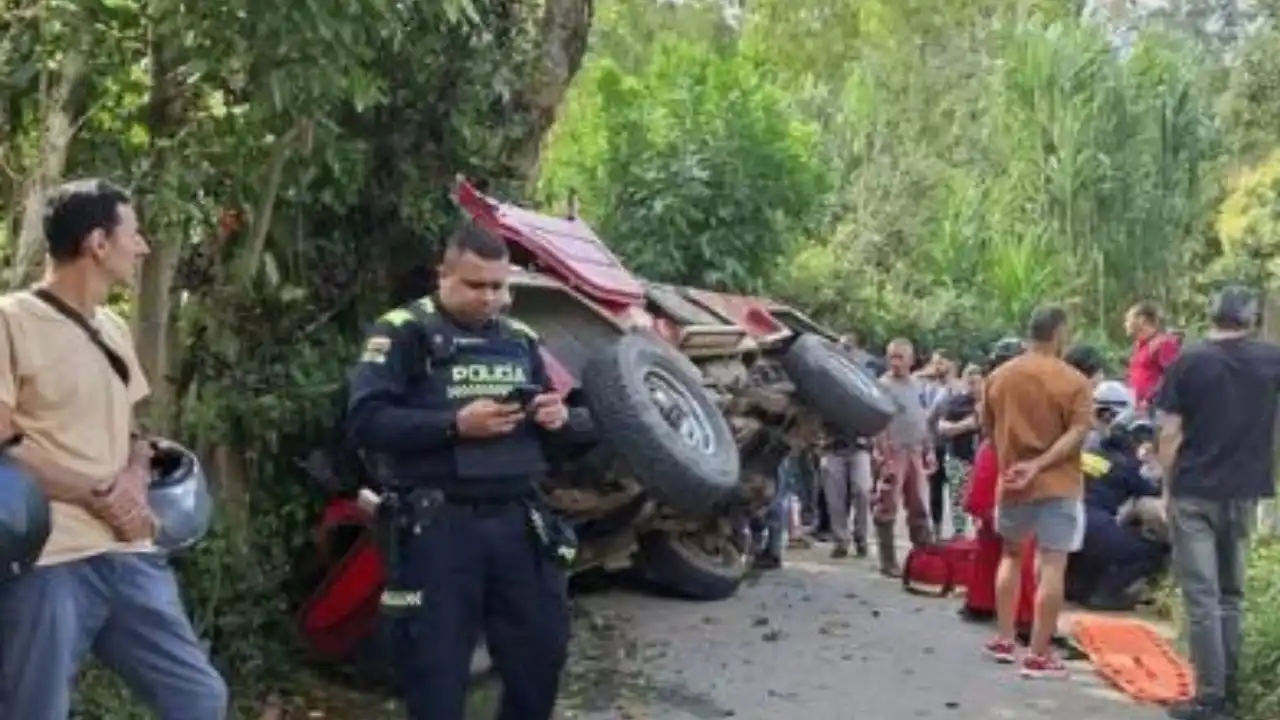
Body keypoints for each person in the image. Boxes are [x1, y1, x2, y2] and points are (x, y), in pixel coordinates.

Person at [0, 179, 229, 719]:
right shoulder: (10, 320)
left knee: (200, 699)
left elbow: (128, 431)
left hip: (128, 551)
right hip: (47, 560)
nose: (143, 246)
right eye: (135, 233)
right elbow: (4, 443)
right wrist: (94, 492)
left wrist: (132, 474)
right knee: (34, 711)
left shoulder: (113, 327)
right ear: (97, 243)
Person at [346, 223, 582, 720]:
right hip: (439, 528)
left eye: (498, 286)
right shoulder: (403, 331)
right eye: (475, 285)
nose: (489, 298)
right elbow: (366, 421)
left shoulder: (519, 339)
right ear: (444, 276)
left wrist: (554, 419)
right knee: (435, 674)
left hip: (519, 523)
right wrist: (454, 424)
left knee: (540, 658)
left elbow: (557, 434)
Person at [1156, 285, 1279, 720]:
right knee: (1232, 594)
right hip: (1245, 490)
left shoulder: (1188, 361)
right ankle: (1230, 692)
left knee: (1203, 597)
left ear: (1213, 315)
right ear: (1251, 319)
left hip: (1194, 490)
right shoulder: (1271, 360)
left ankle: (1210, 699)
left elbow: (1169, 433)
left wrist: (1167, 488)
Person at [981, 305, 1092, 679]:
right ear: (1059, 334)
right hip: (1058, 484)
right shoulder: (1074, 382)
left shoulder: (998, 377)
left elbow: (989, 430)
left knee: (1010, 556)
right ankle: (1039, 652)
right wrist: (1041, 465)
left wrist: (1015, 464)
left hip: (1012, 482)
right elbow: (1077, 435)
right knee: (1052, 563)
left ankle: (1004, 638)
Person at [1068, 410, 1166, 611]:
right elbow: (1152, 491)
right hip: (1096, 527)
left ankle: (1075, 589)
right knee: (1154, 551)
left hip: (1070, 522)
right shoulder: (1127, 465)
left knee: (1110, 538)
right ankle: (1107, 593)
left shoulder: (1091, 451)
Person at [873, 338, 934, 576]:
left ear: (911, 360)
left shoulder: (917, 385)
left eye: (901, 357)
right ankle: (887, 561)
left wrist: (928, 449)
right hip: (894, 450)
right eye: (892, 357)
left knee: (918, 502)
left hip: (915, 450)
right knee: (887, 502)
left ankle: (923, 555)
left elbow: (923, 417)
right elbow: (878, 422)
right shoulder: (882, 385)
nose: (896, 362)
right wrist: (883, 453)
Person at [818, 425, 872, 559]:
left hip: (860, 446)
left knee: (862, 491)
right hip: (832, 447)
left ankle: (861, 537)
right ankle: (841, 540)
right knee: (834, 497)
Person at [1125, 301, 1181, 413]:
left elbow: (1170, 376)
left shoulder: (1163, 343)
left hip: (1153, 407)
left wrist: (1149, 399)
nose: (1127, 323)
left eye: (1129, 319)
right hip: (1136, 405)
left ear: (1142, 320)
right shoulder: (1140, 345)